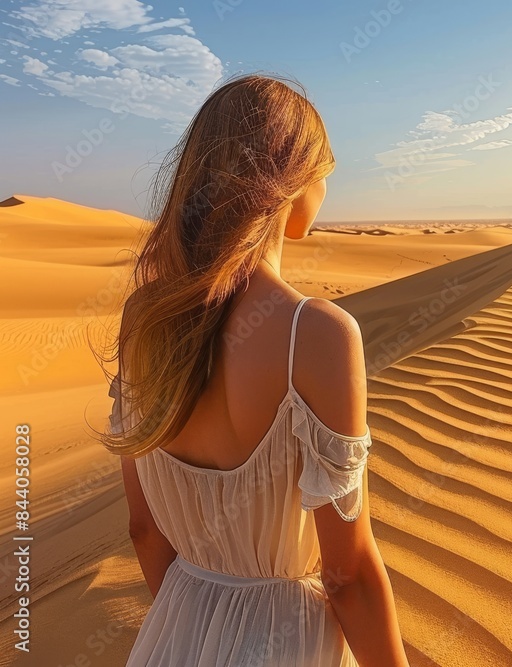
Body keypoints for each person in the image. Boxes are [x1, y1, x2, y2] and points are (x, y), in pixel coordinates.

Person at [102, 73, 409, 666]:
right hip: (288, 641)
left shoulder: (144, 319)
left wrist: (192, 633)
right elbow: (346, 577)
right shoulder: (315, 335)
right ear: (289, 182)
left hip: (175, 630)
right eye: (325, 172)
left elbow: (145, 529)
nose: (326, 188)